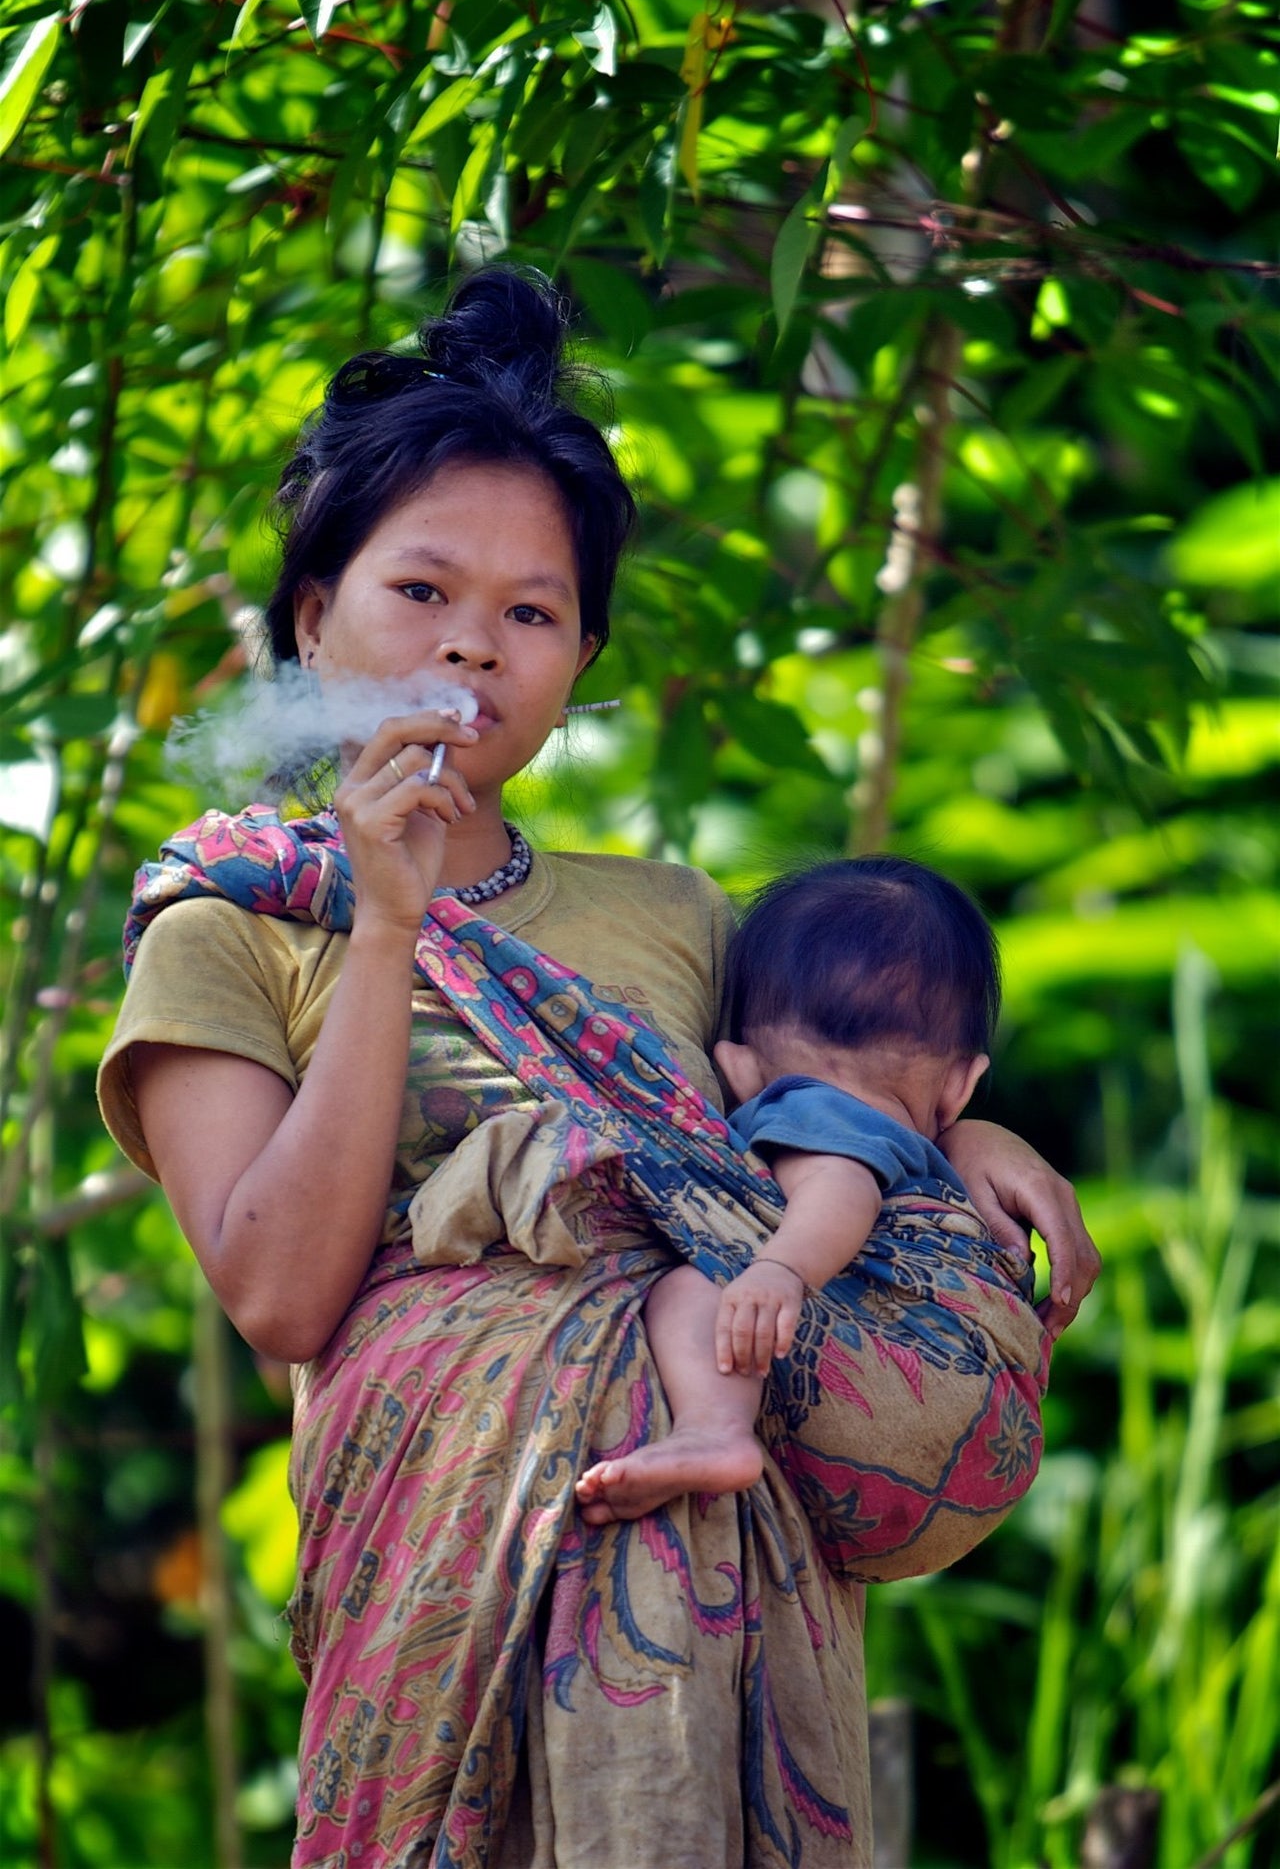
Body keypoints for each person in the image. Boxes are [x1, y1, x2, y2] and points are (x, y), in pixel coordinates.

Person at [98, 267, 1099, 1869]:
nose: (472, 647)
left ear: (575, 663)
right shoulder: (226, 931)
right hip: (441, 1568)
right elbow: (284, 1293)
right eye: (419, 589)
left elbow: (802, 1118)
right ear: (315, 619)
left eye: (532, 611)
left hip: (735, 1577)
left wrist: (953, 1139)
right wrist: (381, 930)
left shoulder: (686, 918)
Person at [575, 855, 1009, 1524]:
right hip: (974, 1422)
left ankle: (712, 1429)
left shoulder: (801, 1107)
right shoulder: (918, 1151)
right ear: (961, 1084)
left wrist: (780, 1268)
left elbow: (840, 1185)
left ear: (736, 1068)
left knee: (690, 1284)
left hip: (852, 1347)